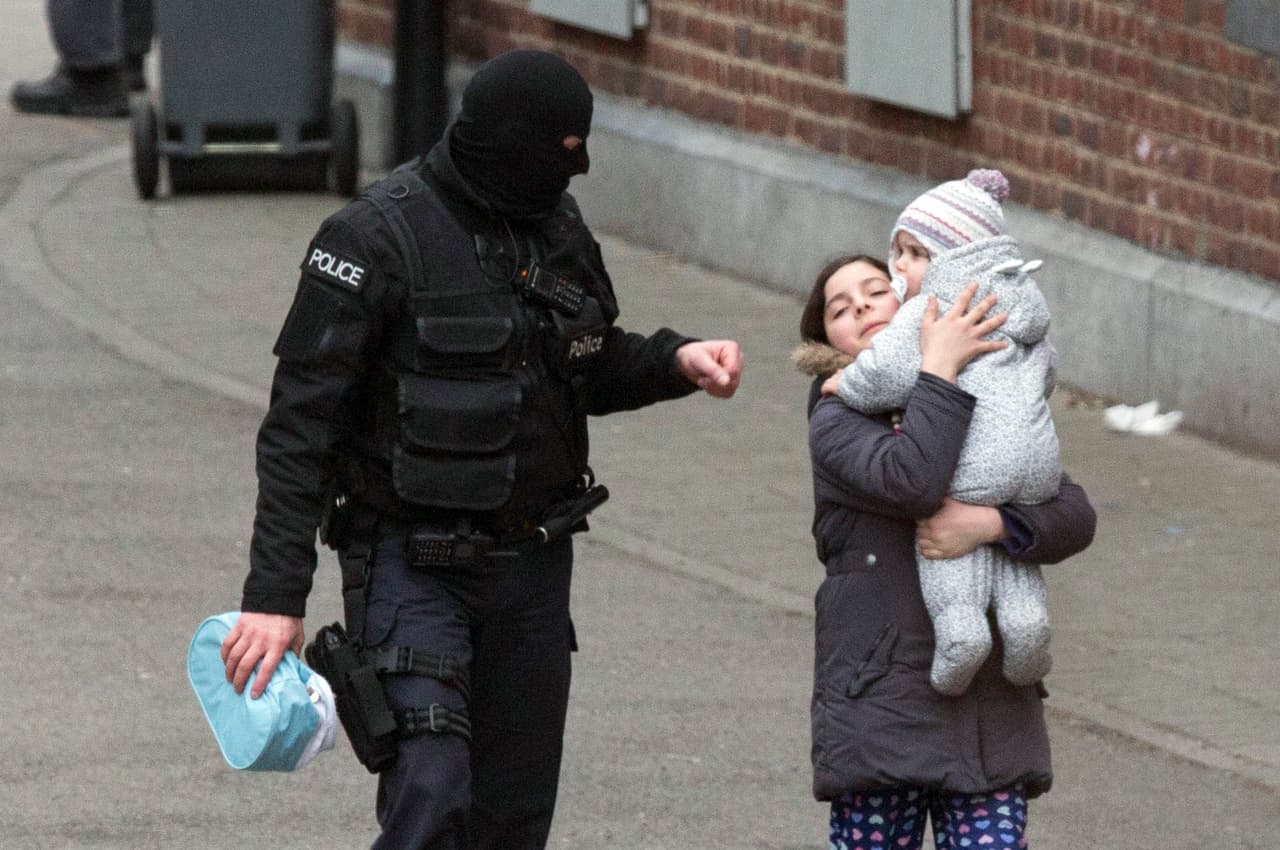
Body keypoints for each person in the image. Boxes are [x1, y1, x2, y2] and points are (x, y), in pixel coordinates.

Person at [219, 49, 743, 850]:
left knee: (512, 817)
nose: (574, 173)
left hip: (533, 567)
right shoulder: (370, 238)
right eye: (560, 154)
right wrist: (275, 595)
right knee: (431, 787)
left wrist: (674, 361)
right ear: (506, 144)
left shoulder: (557, 225)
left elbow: (583, 364)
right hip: (410, 563)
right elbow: (298, 429)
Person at [794, 254, 1095, 848]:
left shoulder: (991, 393)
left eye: (875, 291)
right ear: (824, 335)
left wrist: (992, 524)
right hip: (882, 705)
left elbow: (1075, 514)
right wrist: (937, 366)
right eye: (838, 307)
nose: (858, 306)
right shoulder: (835, 416)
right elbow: (914, 480)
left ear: (911, 300)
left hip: (988, 710)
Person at [829, 170, 1061, 696]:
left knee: (946, 537)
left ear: (953, 253)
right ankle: (1027, 632)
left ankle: (961, 633)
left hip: (979, 469)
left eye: (913, 254)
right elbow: (1047, 372)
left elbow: (885, 378)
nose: (900, 272)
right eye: (840, 309)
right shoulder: (1020, 301)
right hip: (1036, 458)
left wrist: (851, 382)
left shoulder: (929, 311)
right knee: (1010, 576)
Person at [11, 0, 152, 117]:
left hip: (93, 69)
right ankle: (127, 62)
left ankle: (91, 77)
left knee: (93, 72)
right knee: (127, 54)